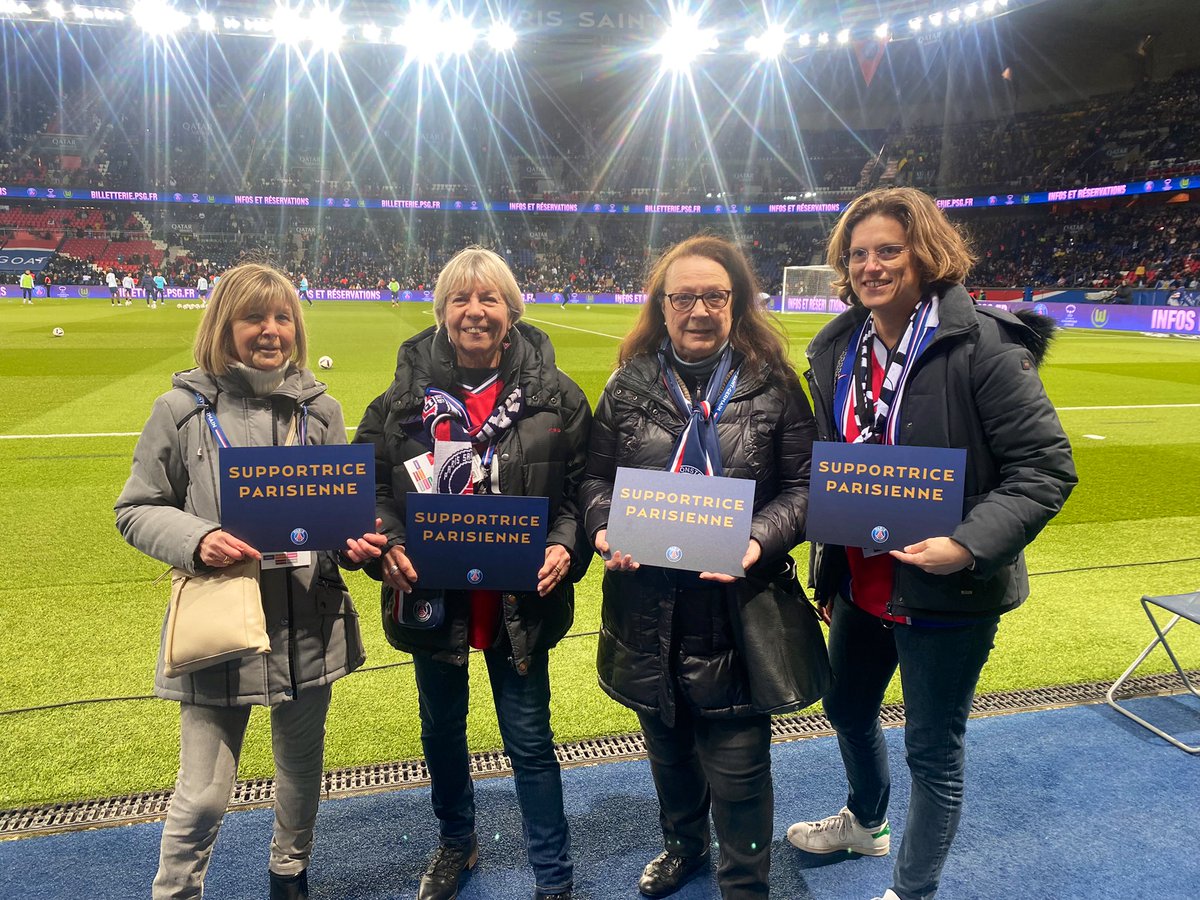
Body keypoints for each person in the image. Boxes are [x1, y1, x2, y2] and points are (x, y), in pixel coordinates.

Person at [786, 187, 1077, 900]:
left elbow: (1044, 470)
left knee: (932, 751)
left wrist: (968, 545)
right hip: (863, 580)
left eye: (889, 250)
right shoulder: (837, 347)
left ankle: (911, 890)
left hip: (948, 587)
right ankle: (865, 821)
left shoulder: (980, 343)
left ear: (926, 254)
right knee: (847, 709)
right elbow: (834, 463)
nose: (871, 266)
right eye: (858, 254)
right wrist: (829, 571)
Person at [115, 262, 387, 900]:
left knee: (299, 770)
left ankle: (290, 872)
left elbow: (337, 517)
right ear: (222, 326)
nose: (271, 331)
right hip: (222, 623)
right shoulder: (180, 410)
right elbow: (136, 507)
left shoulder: (321, 411)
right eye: (253, 318)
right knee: (205, 795)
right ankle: (177, 890)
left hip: (308, 618)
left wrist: (354, 543)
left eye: (283, 317)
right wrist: (196, 538)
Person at [580, 234, 818, 899]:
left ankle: (745, 883)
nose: (699, 310)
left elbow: (805, 489)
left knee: (739, 770)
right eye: (683, 296)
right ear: (663, 306)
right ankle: (684, 849)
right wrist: (603, 530)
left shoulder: (773, 386)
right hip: (648, 610)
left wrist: (757, 541)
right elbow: (594, 480)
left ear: (736, 303)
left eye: (715, 295)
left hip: (739, 612)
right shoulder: (628, 386)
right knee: (670, 755)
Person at [354, 246, 590, 900]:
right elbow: (368, 489)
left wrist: (565, 547)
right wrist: (389, 542)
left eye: (488, 299)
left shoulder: (555, 398)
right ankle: (456, 844)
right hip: (434, 602)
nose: (474, 311)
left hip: (520, 602)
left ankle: (554, 874)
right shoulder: (402, 402)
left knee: (531, 741)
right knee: (442, 734)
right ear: (442, 311)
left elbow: (577, 493)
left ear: (511, 312)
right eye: (461, 299)